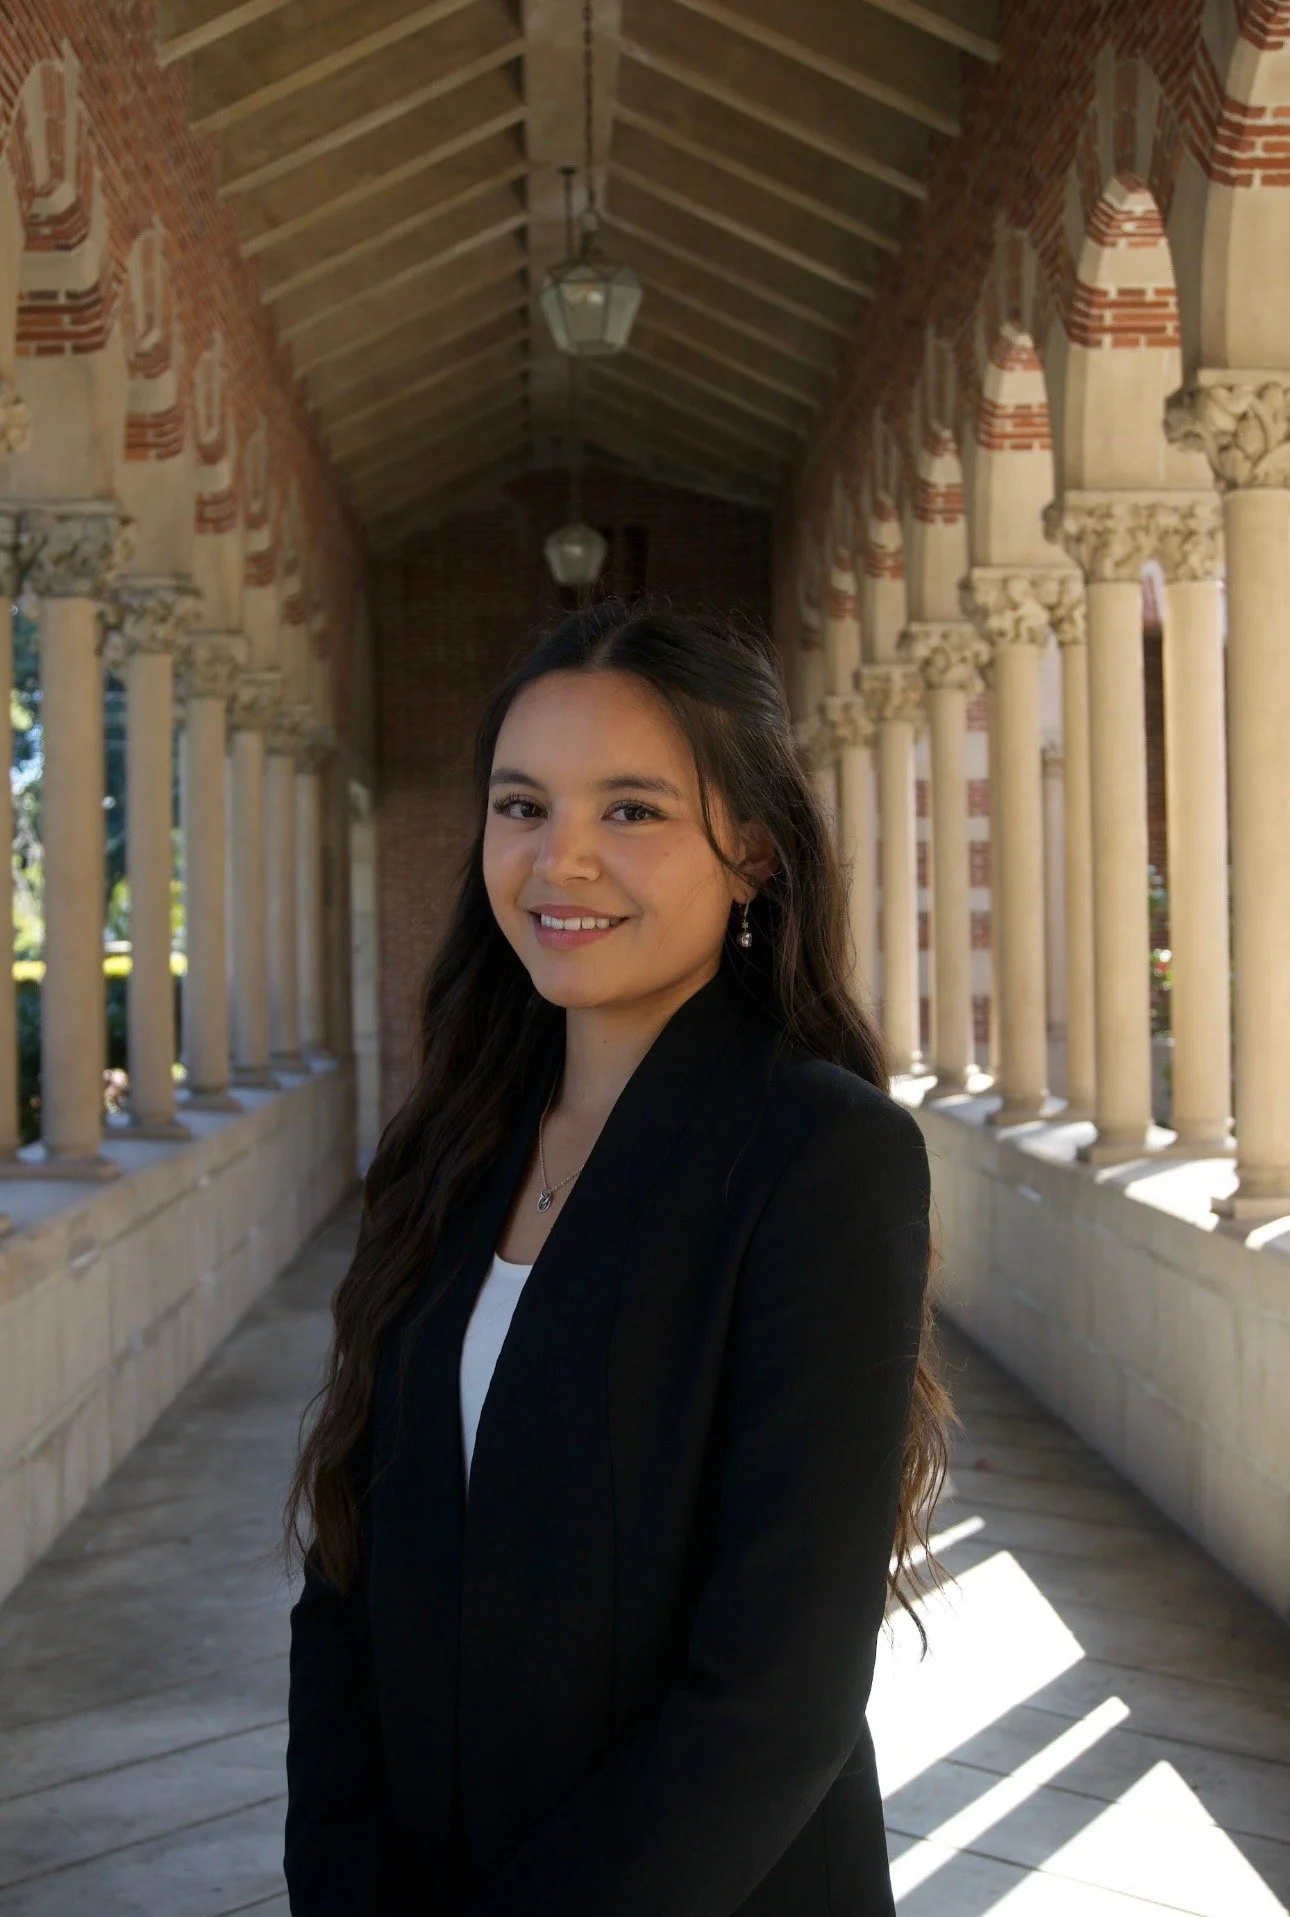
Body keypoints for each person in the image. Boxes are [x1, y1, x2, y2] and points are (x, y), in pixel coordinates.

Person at [282, 599, 950, 1916]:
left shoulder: (818, 1155)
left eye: (631, 812)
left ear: (752, 852)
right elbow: (350, 1564)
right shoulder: (451, 1143)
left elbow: (779, 1691)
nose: (558, 862)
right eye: (521, 806)